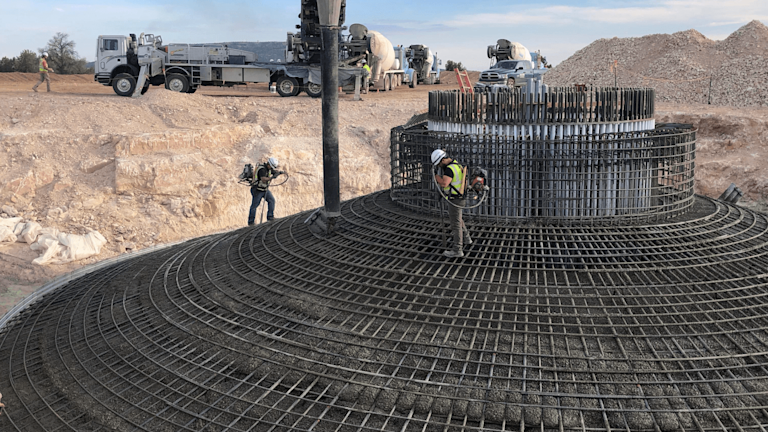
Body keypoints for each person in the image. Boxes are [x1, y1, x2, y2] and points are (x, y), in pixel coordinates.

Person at [432, 149, 472, 258]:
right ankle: (467, 238)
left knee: (456, 224)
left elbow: (444, 183)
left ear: (442, 160)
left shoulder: (449, 169)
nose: (439, 166)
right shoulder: (456, 164)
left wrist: (436, 176)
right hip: (460, 197)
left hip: (455, 199)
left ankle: (457, 250)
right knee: (458, 219)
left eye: (439, 164)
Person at [247, 157, 283, 226]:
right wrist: (271, 177)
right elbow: (263, 179)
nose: (271, 168)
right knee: (254, 205)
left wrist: (279, 173)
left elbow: (274, 172)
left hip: (264, 189)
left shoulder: (269, 169)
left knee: (271, 200)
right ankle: (251, 222)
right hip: (257, 190)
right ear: (269, 164)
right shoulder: (262, 169)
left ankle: (270, 217)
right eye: (271, 167)